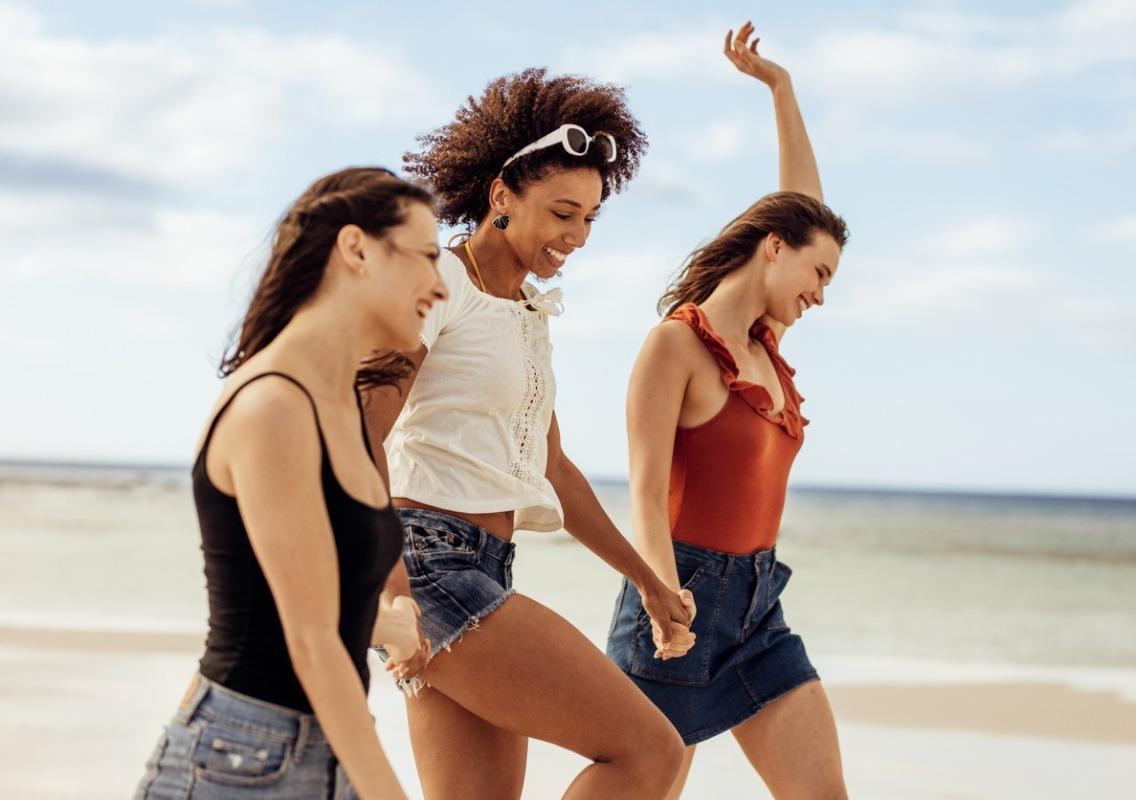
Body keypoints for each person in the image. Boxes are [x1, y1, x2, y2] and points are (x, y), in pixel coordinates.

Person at [362, 69, 693, 799]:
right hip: (428, 566)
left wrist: (647, 582)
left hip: (486, 564)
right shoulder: (441, 282)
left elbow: (556, 471)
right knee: (650, 754)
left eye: (587, 220)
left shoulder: (526, 315)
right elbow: (365, 427)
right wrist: (389, 586)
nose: (573, 237)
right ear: (501, 196)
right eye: (560, 213)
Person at [135, 167, 444, 799]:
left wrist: (388, 625)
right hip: (238, 762)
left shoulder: (340, 403)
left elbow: (312, 605)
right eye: (428, 258)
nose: (440, 287)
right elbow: (309, 640)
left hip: (318, 750)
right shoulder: (273, 405)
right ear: (356, 249)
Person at [605, 23, 851, 799]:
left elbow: (803, 201)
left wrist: (781, 88)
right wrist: (662, 602)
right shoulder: (677, 347)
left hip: (758, 608)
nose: (821, 293)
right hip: (678, 601)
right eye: (819, 272)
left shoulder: (766, 344)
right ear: (774, 248)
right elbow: (643, 492)